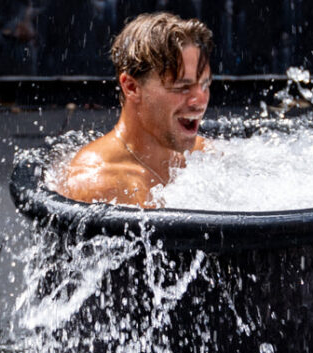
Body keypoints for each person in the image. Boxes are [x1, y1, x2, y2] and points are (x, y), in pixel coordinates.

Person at [55, 12, 214, 207]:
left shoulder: (203, 156)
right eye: (182, 87)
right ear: (132, 87)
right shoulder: (100, 184)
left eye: (205, 85)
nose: (200, 101)